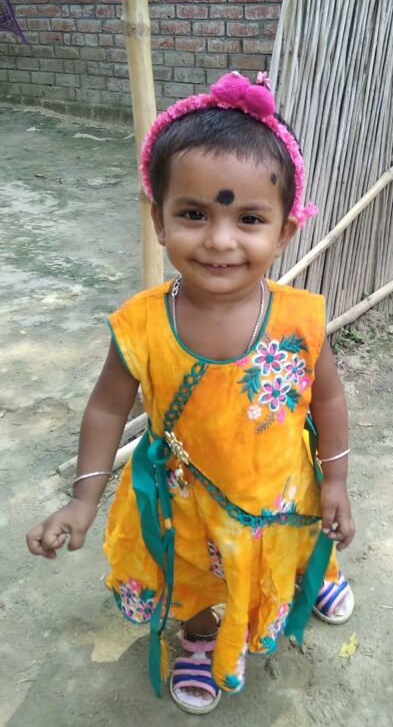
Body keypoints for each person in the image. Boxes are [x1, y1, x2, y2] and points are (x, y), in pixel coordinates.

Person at [26, 72, 356, 715]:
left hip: (281, 485)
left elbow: (329, 402)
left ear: (285, 231)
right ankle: (201, 639)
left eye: (249, 218)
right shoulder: (142, 324)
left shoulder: (301, 319)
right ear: (159, 219)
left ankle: (310, 575)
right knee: (195, 574)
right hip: (186, 502)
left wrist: (337, 482)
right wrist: (82, 499)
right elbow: (106, 408)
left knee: (293, 538)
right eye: (194, 214)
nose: (220, 239)